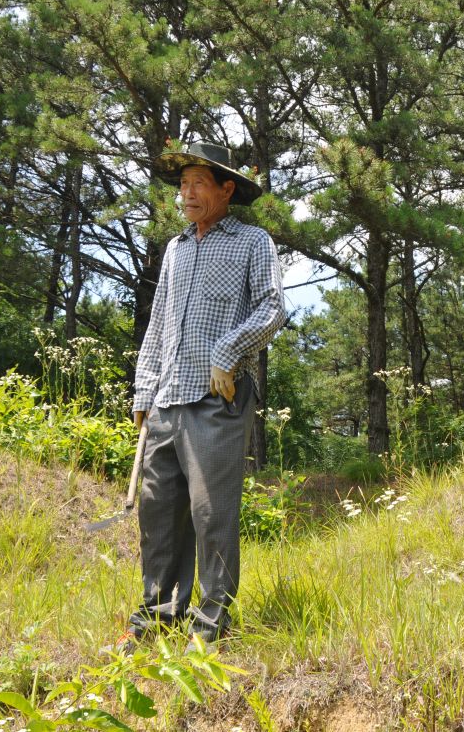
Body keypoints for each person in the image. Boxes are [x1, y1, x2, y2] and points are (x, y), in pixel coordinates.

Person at [119, 141, 285, 651]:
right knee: (158, 514)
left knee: (211, 514)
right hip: (166, 399)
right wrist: (144, 390)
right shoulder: (175, 248)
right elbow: (158, 325)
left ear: (226, 189)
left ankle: (210, 626)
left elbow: (273, 307)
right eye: (183, 185)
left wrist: (227, 352)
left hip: (218, 398)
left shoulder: (253, 241)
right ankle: (157, 619)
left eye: (198, 184)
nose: (186, 194)